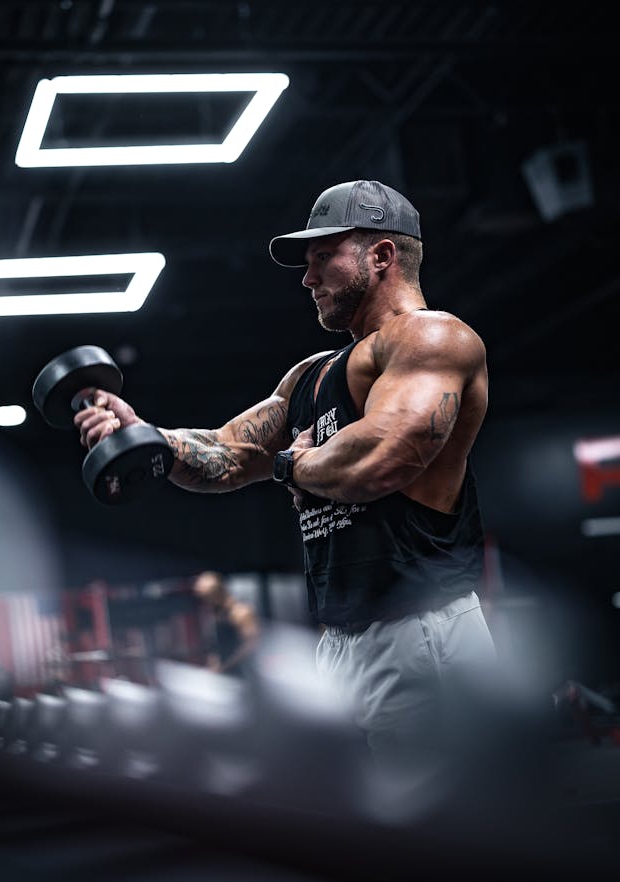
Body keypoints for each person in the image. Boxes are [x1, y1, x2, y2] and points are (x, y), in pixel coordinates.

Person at [74, 179, 499, 792]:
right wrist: (142, 436)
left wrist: (291, 466)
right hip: (340, 637)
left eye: (323, 257)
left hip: (419, 631)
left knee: (449, 840)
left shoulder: (433, 339)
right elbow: (227, 451)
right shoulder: (310, 376)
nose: (308, 278)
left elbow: (382, 459)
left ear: (380, 256)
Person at [191, 570, 261, 678]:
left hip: (244, 675)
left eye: (208, 598)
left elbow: (251, 645)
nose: (207, 603)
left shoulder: (241, 612)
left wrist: (226, 665)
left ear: (218, 594)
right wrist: (214, 662)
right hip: (224, 673)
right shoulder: (216, 614)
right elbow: (216, 644)